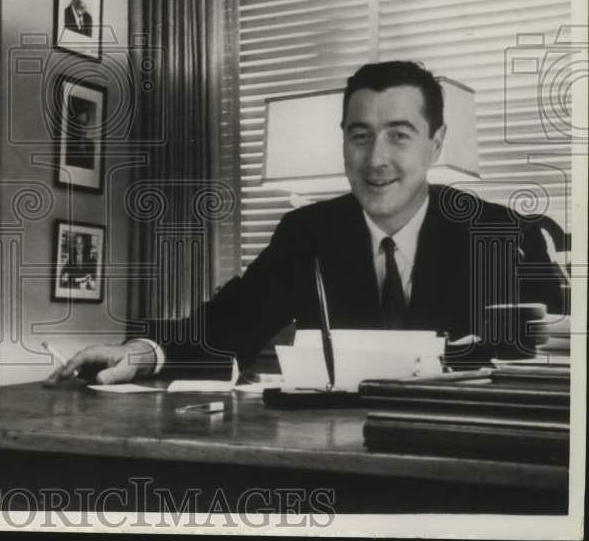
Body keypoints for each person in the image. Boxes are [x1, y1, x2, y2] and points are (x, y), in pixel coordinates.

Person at [48, 60, 564, 384]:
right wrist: (137, 354)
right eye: (360, 135)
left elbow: (559, 351)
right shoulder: (309, 233)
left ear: (436, 142)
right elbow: (229, 325)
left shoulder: (498, 231)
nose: (376, 159)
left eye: (400, 135)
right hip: (329, 453)